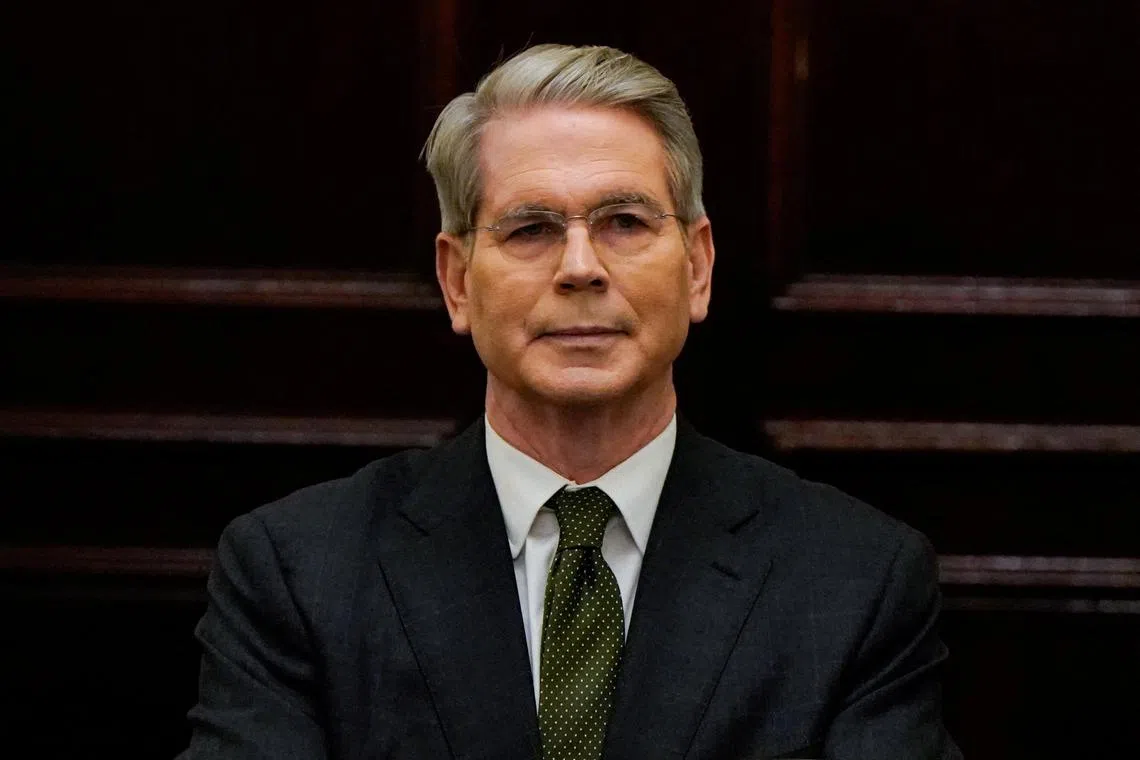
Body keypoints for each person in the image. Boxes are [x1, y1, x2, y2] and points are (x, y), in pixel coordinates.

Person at [179, 44, 961, 759]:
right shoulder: (297, 572)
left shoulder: (855, 579)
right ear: (457, 280)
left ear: (696, 267)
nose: (580, 267)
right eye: (531, 229)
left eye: (624, 222)